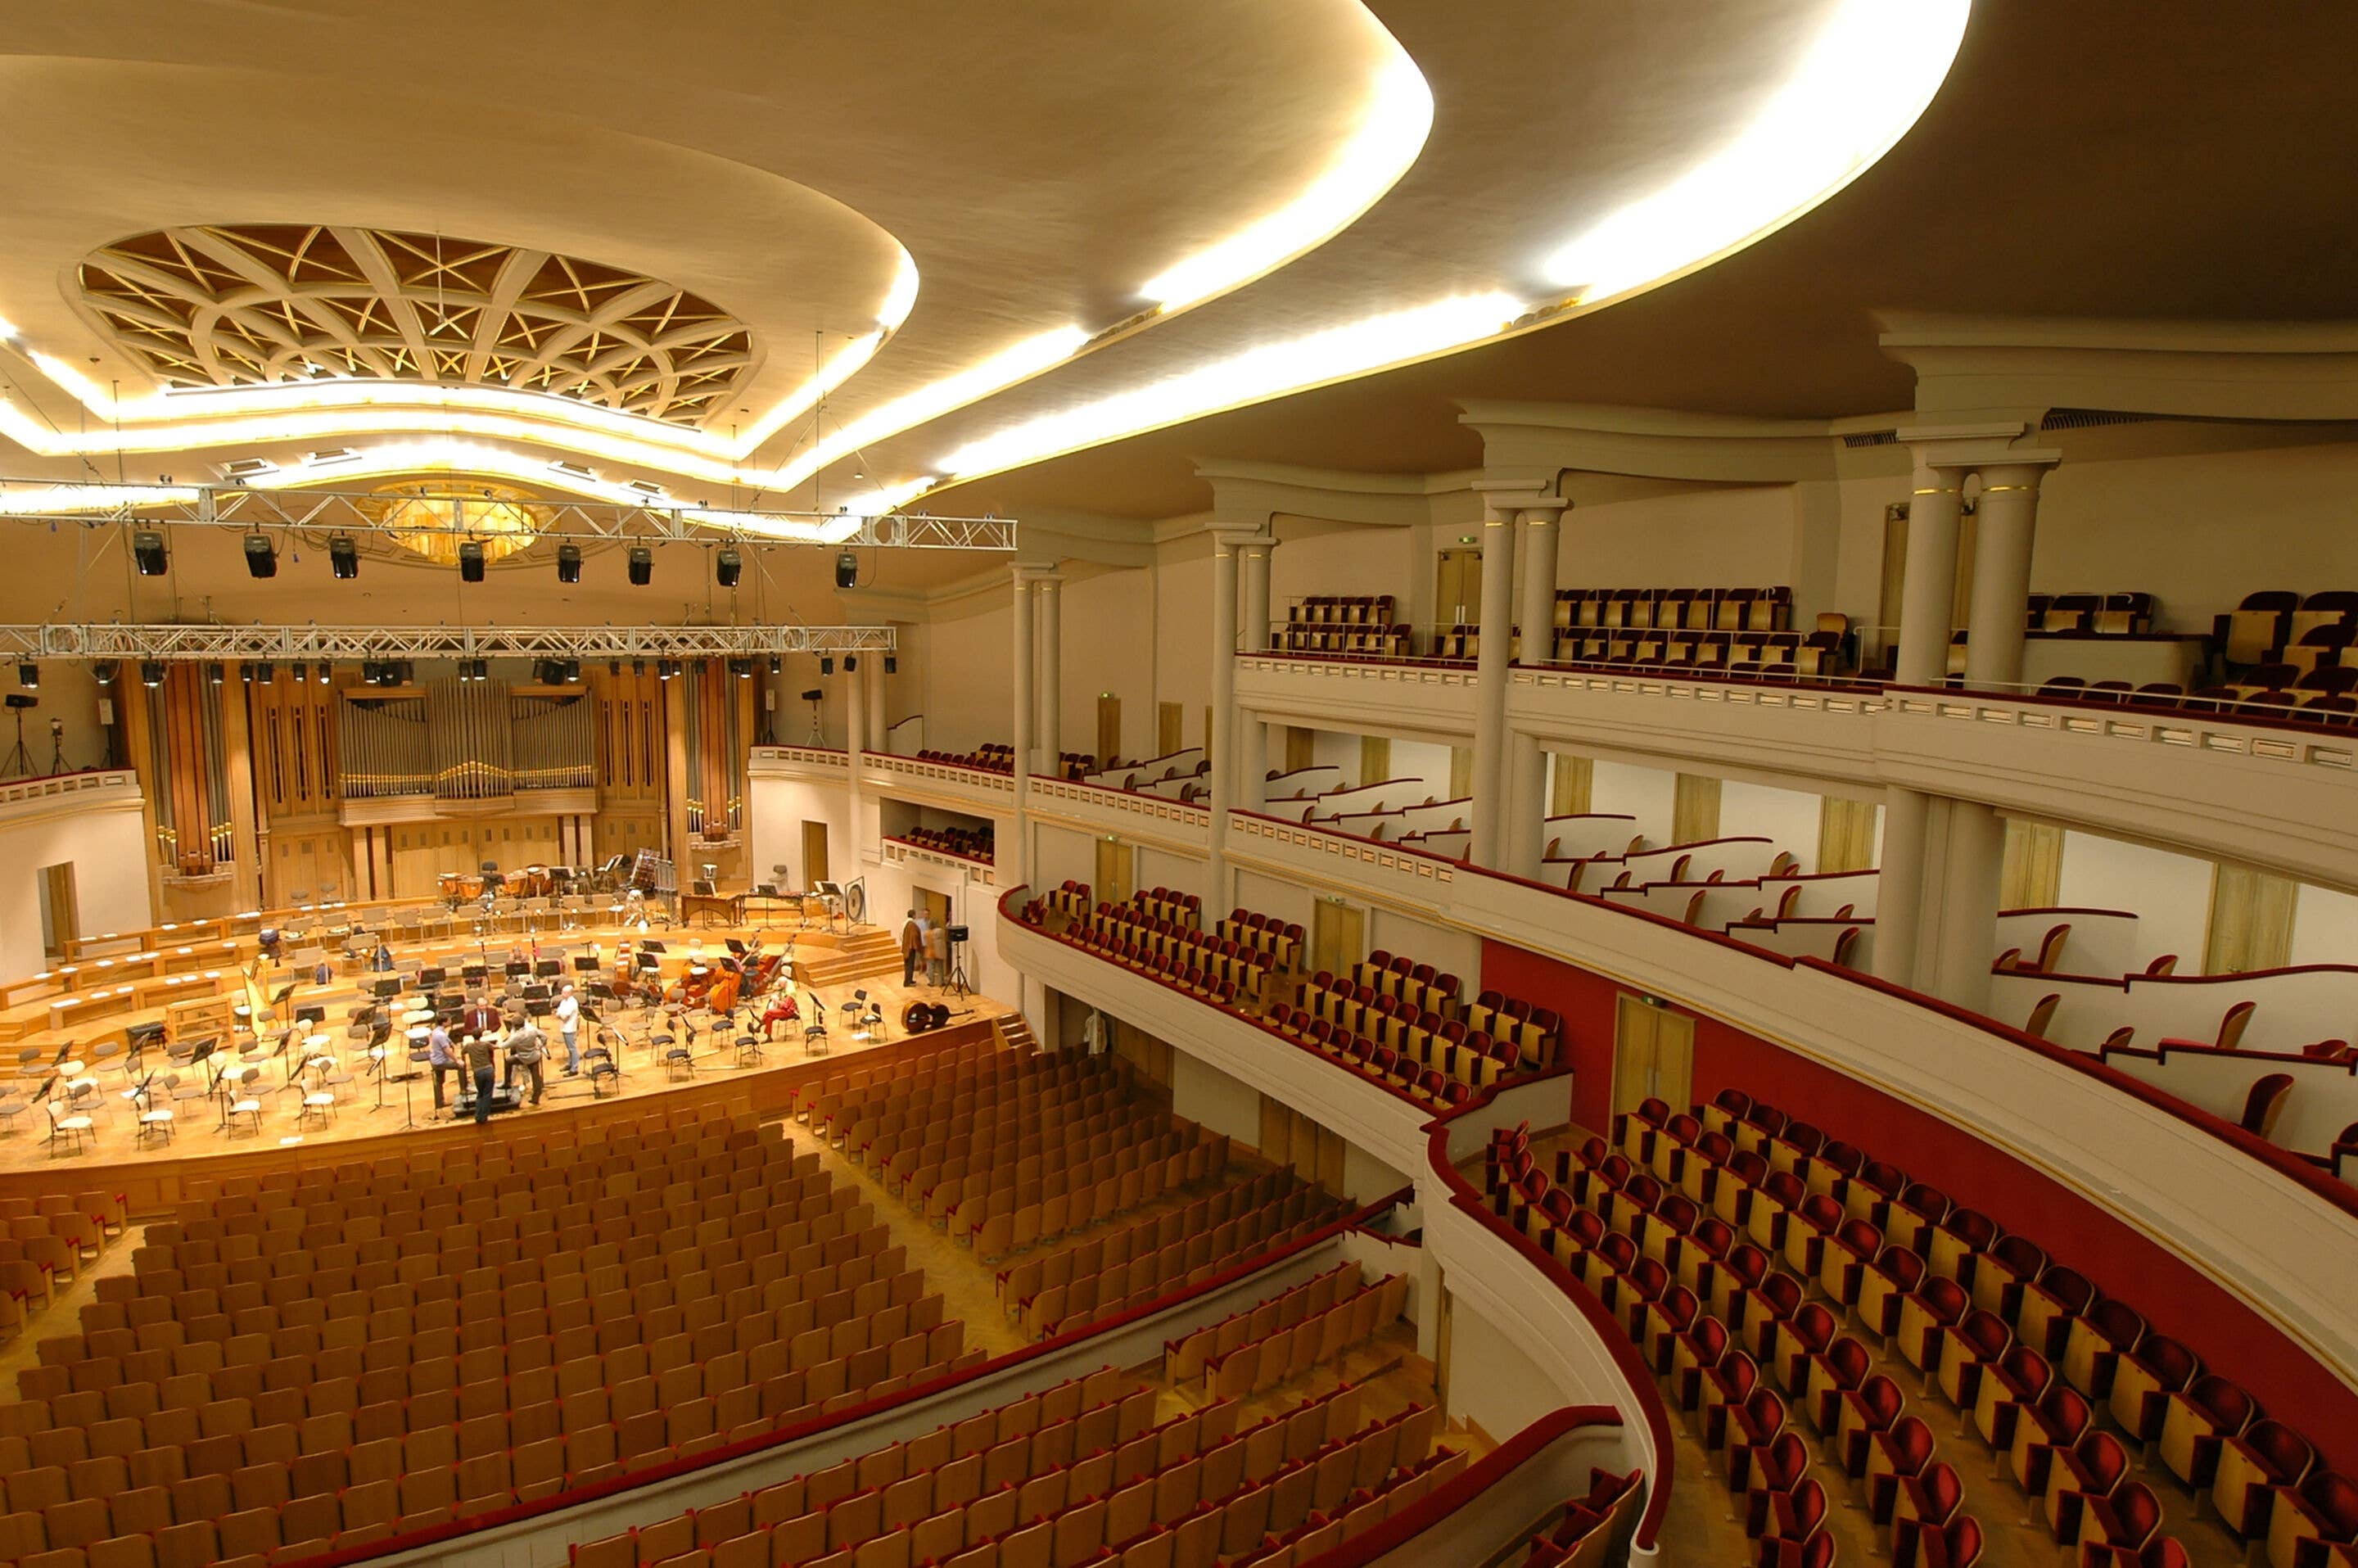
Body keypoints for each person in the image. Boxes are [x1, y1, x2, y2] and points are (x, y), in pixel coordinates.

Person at [503, 1016, 548, 1108]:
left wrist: (496, 1045)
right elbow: (544, 1036)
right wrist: (540, 1045)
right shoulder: (532, 1029)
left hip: (522, 1057)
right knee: (536, 1076)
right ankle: (536, 1098)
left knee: (508, 1061)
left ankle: (507, 1082)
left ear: (515, 1026)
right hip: (534, 1056)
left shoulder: (516, 1036)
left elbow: (505, 1045)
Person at [463, 1030, 498, 1125]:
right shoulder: (486, 1044)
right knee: (487, 1094)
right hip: (488, 1070)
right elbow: (495, 1047)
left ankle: (478, 1116)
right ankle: (484, 1117)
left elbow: (462, 1052)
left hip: (478, 1072)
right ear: (481, 1035)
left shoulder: (469, 1046)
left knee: (480, 1094)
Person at [427, 1020, 457, 1114]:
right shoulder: (440, 1035)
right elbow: (447, 1050)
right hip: (440, 1061)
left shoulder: (436, 1031)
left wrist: (452, 1044)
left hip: (435, 1060)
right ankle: (464, 1090)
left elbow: (448, 1041)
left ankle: (439, 1102)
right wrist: (457, 1060)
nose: (451, 1021)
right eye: (449, 1020)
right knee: (461, 1066)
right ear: (444, 1023)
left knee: (440, 1081)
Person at [555, 983, 580, 1076]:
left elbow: (565, 1017)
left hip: (570, 1028)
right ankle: (570, 1064)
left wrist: (560, 1015)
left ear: (570, 993)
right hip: (564, 1027)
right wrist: (560, 1015)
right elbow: (558, 1012)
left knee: (572, 1049)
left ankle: (574, 1069)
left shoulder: (572, 1003)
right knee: (569, 1048)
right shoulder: (563, 1001)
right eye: (562, 992)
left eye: (565, 993)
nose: (562, 994)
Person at [899, 909, 923, 987]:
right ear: (913, 915)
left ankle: (909, 980)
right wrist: (917, 947)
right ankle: (907, 982)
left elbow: (901, 935)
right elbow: (914, 936)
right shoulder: (912, 924)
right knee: (910, 965)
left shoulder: (904, 923)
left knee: (908, 965)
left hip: (905, 946)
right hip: (910, 947)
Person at [925, 919, 948, 988]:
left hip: (931, 952)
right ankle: (941, 982)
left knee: (931, 968)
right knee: (940, 968)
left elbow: (926, 942)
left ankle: (931, 982)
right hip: (940, 953)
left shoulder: (928, 933)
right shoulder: (942, 932)